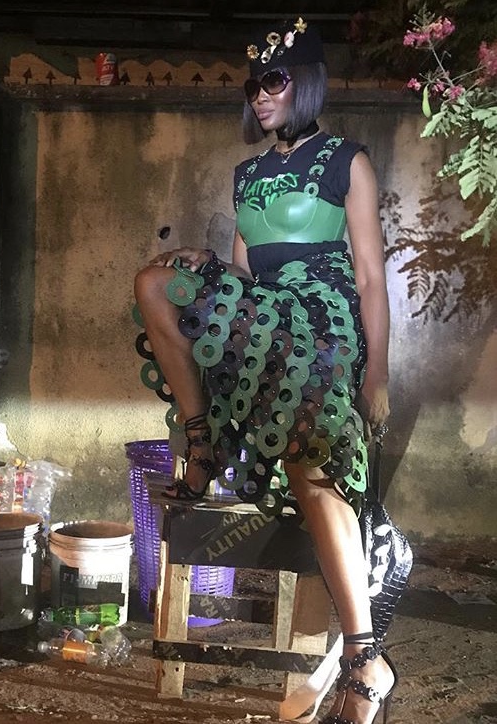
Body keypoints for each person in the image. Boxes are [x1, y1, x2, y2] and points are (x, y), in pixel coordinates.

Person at [133, 18, 396, 724]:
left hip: (326, 322)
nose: (259, 95)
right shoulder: (246, 175)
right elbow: (246, 281)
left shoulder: (347, 160)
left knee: (312, 470)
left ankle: (365, 658)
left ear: (305, 82)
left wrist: (377, 376)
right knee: (156, 283)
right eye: (253, 84)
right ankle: (202, 443)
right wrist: (209, 265)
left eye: (273, 80)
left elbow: (371, 278)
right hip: (272, 319)